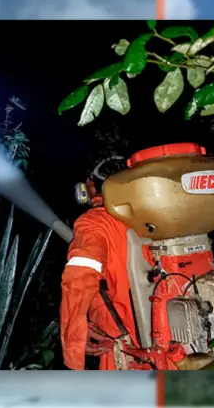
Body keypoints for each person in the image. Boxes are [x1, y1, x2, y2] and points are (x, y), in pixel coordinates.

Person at [60, 156, 139, 370]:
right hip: (176, 338)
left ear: (92, 186)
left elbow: (79, 281)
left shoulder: (95, 223)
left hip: (125, 348)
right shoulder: (152, 217)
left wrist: (74, 340)